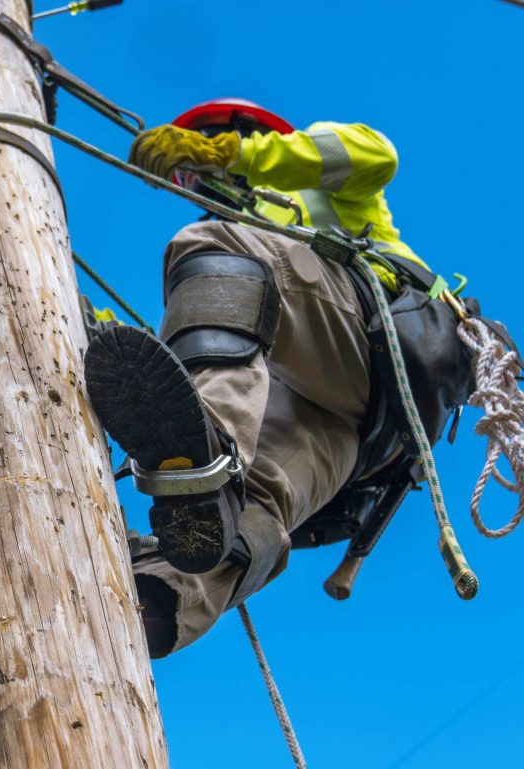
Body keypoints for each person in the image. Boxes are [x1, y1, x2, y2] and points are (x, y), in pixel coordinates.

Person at [84, 98, 468, 658]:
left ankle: (206, 454)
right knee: (252, 507)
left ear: (249, 134)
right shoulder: (251, 257)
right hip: (360, 426)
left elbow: (375, 156)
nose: (195, 176)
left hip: (373, 330)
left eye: (206, 149)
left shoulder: (305, 188)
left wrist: (233, 154)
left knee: (211, 247)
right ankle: (149, 605)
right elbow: (212, 342)